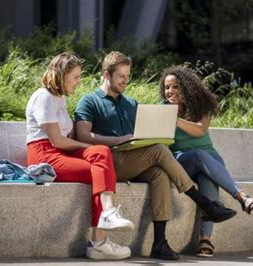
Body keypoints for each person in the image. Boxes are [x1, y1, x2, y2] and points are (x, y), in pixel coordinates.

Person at [74, 51, 237, 261]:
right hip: (109, 162)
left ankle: (159, 243)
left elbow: (141, 133)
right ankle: (204, 203)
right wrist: (119, 140)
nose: (126, 80)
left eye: (128, 75)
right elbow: (83, 135)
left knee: (159, 174)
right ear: (107, 74)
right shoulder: (89, 101)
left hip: (133, 159)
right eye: (121, 76)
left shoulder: (131, 103)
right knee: (159, 150)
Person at [26, 52, 135, 260]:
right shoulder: (44, 97)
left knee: (102, 153)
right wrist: (85, 146)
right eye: (75, 77)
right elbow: (57, 141)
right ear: (62, 75)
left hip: (60, 151)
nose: (78, 81)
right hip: (44, 154)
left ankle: (108, 214)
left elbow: (66, 139)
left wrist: (91, 149)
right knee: (100, 172)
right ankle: (99, 242)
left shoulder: (59, 98)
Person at [159, 65, 253, 257]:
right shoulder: (162, 109)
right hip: (183, 162)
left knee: (208, 178)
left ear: (186, 86)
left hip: (210, 160)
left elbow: (199, 130)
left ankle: (205, 241)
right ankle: (241, 196)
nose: (170, 91)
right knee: (198, 156)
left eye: (175, 87)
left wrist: (175, 119)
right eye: (167, 88)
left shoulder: (201, 105)